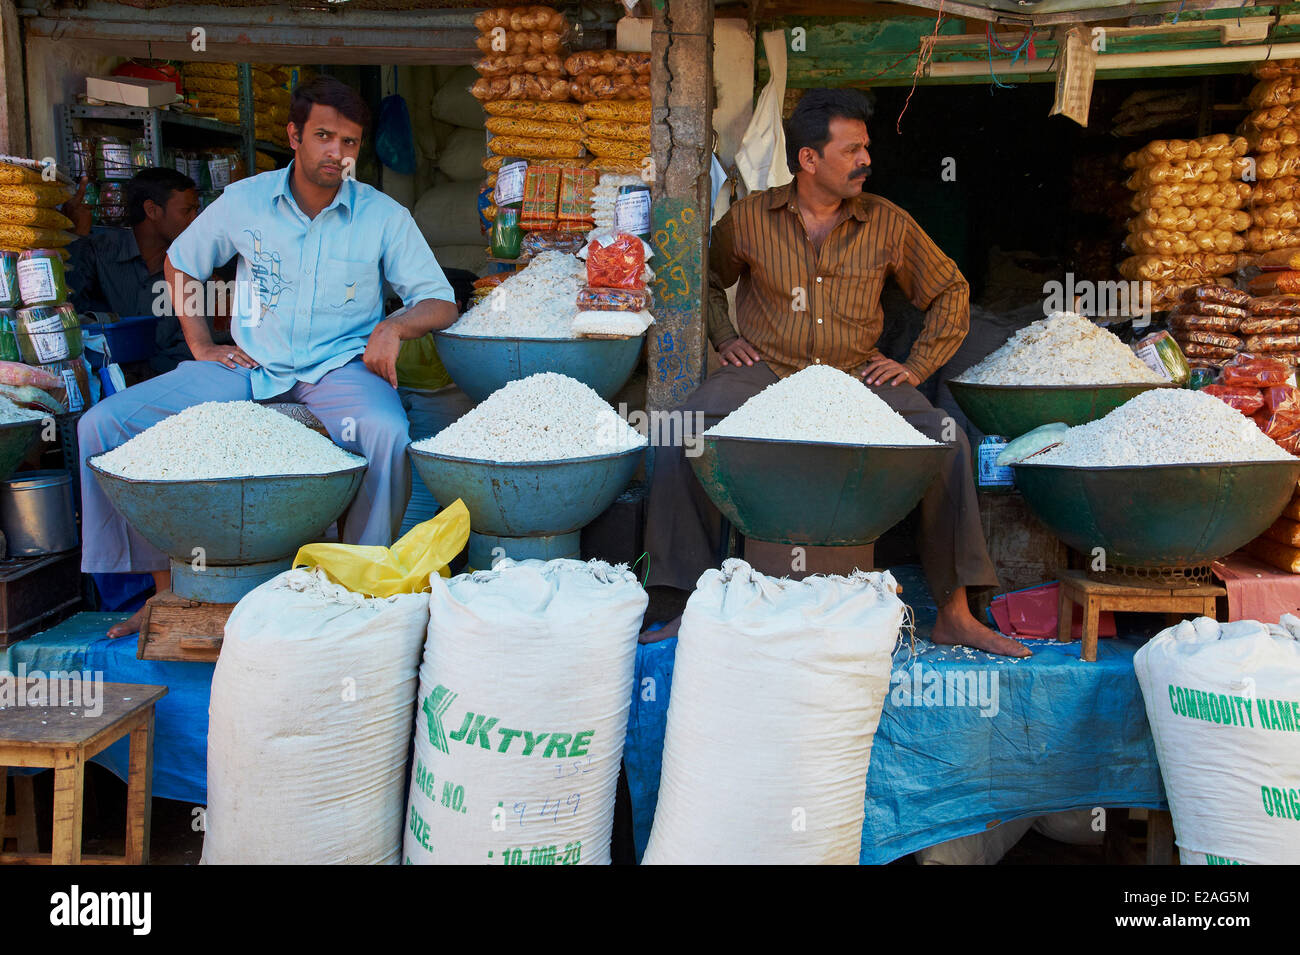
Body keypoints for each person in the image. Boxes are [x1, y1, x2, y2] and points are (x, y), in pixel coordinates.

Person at [643, 88, 1029, 658]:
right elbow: (700, 277)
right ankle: (682, 607)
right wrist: (725, 338)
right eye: (852, 151)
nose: (865, 161)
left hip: (856, 379)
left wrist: (913, 367)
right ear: (808, 160)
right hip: (769, 373)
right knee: (680, 434)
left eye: (865, 149)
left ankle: (954, 611)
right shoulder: (751, 219)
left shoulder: (887, 223)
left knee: (945, 441)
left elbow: (950, 291)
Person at [79, 75, 459, 638]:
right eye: (325, 136)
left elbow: (441, 300)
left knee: (385, 432)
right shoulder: (246, 201)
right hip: (250, 367)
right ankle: (158, 593)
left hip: (338, 369)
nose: (338, 152)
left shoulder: (382, 215)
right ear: (295, 135)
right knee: (104, 426)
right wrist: (203, 345)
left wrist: (394, 325)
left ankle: (354, 589)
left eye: (350, 142)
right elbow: (182, 262)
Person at [64, 167, 235, 371]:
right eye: (186, 210)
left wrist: (141, 378)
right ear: (152, 210)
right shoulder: (98, 252)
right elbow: (69, 312)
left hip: (161, 384)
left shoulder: (194, 270)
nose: (195, 219)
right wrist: (75, 236)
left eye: (196, 210)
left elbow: (189, 350)